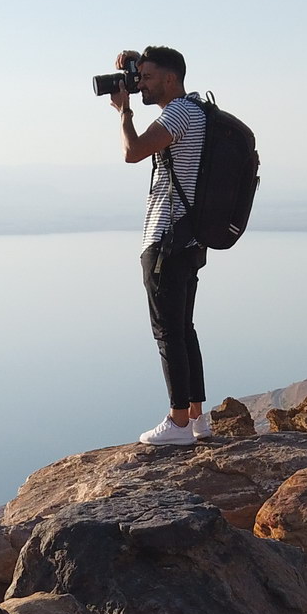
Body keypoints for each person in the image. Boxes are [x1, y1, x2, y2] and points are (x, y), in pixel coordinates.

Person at [111, 45, 209, 446]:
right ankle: (198, 419)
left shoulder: (178, 114)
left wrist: (124, 112)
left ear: (170, 79)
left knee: (167, 331)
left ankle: (179, 423)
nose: (141, 85)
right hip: (190, 236)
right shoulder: (197, 110)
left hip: (166, 237)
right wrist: (135, 65)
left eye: (148, 78)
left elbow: (133, 153)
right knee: (183, 328)